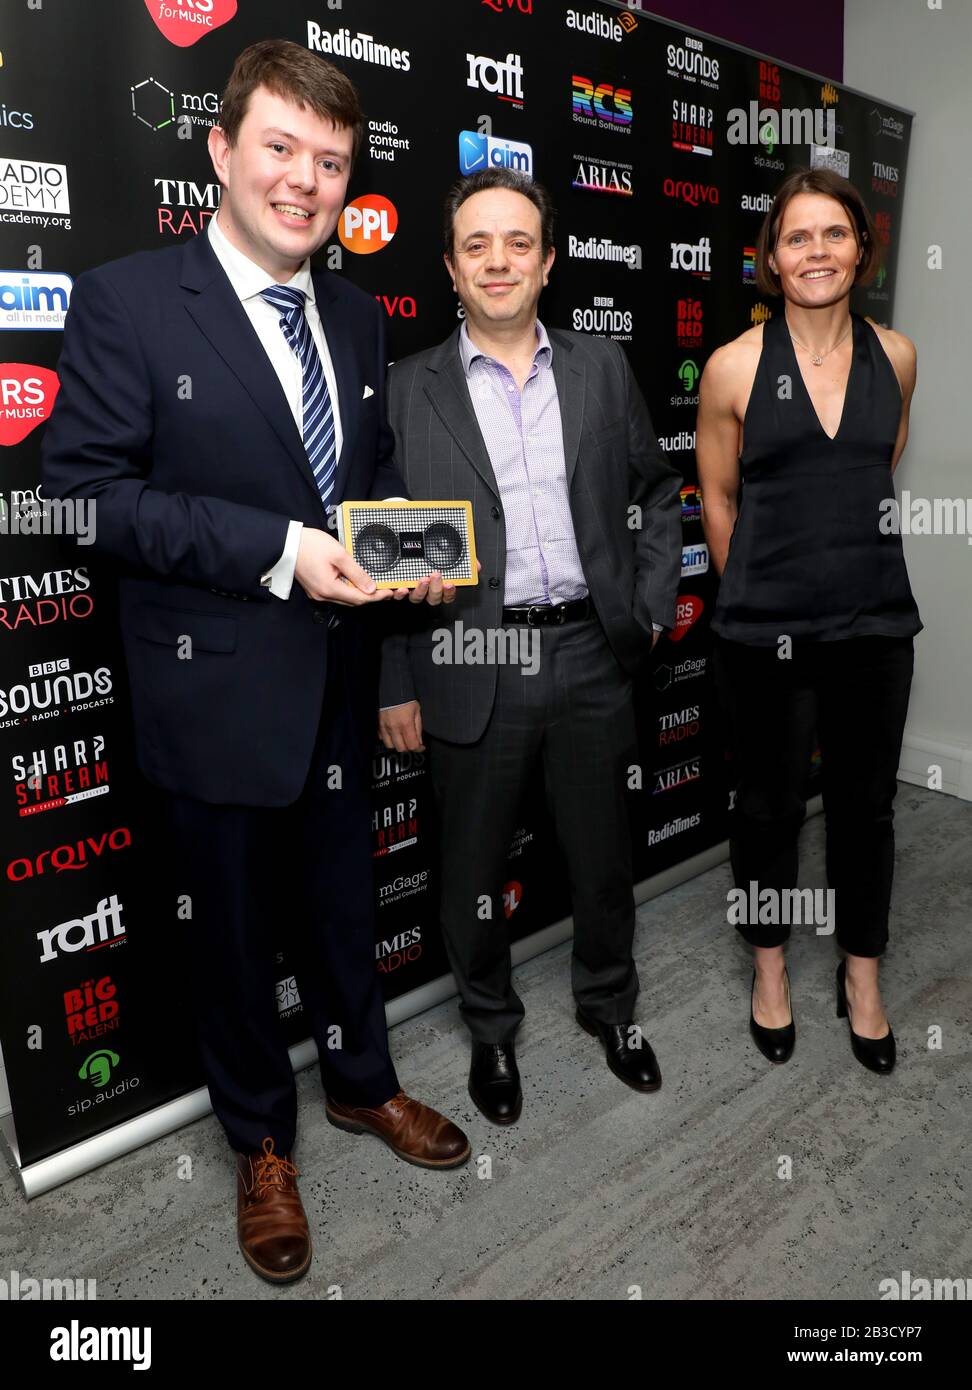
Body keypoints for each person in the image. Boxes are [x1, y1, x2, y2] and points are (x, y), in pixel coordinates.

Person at [41, 39, 470, 1286]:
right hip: (212, 684)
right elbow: (87, 502)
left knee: (344, 913)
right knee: (229, 938)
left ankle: (361, 1084)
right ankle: (260, 1142)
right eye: (280, 148)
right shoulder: (127, 300)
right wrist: (279, 548)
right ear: (221, 152)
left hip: (339, 679)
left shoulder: (352, 307)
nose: (305, 180)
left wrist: (406, 550)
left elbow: (365, 478)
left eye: (330, 162)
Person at [378, 169, 682, 1124]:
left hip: (592, 650)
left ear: (549, 262)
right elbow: (377, 548)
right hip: (469, 661)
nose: (499, 260)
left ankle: (611, 1007)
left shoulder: (600, 367)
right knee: (470, 870)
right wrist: (394, 681)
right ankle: (490, 1032)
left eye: (518, 242)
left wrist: (644, 607)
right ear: (450, 269)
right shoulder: (400, 391)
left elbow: (659, 492)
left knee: (601, 858)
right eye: (478, 245)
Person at [696, 167, 921, 1074]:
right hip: (766, 637)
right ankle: (772, 971)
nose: (817, 252)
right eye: (798, 237)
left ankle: (862, 979)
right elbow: (716, 496)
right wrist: (754, 593)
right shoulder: (735, 366)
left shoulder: (898, 356)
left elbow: (880, 466)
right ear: (772, 258)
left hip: (875, 627)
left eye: (835, 234)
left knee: (866, 810)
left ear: (861, 249)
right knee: (768, 809)